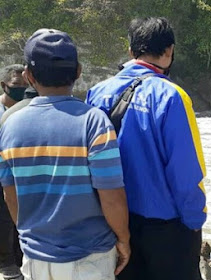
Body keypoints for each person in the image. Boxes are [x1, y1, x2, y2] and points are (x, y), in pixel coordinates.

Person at [0, 28, 130, 280]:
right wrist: (123, 238)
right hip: (90, 257)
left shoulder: (9, 125)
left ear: (28, 76)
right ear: (79, 72)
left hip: (35, 259)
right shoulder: (94, 121)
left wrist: (32, 236)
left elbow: (10, 196)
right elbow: (112, 196)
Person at [86, 17, 206, 280]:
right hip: (166, 232)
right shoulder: (172, 96)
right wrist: (195, 222)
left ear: (131, 51)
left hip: (114, 224)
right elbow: (185, 173)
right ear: (169, 51)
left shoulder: (97, 93)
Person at [0, 64, 28, 280]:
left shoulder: (28, 110)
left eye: (25, 85)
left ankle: (20, 257)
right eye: (16, 85)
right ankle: (6, 261)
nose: (21, 89)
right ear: (4, 86)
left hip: (23, 173)